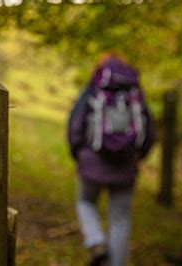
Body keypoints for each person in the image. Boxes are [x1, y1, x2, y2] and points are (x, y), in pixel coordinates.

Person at [68, 53, 155, 266]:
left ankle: (96, 240)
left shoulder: (95, 87)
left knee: (85, 202)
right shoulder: (134, 91)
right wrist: (138, 156)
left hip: (92, 162)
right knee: (120, 218)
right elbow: (150, 131)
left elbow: (75, 125)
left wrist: (78, 153)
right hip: (126, 166)